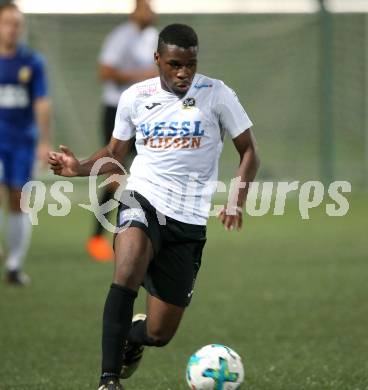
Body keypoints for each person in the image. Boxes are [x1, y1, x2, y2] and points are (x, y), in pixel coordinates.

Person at [49, 23, 260, 390]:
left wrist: (236, 200)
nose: (184, 73)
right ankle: (109, 379)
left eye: (191, 64)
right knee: (126, 270)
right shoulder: (135, 97)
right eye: (175, 64)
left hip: (189, 220)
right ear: (158, 59)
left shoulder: (218, 95)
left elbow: (249, 152)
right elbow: (116, 155)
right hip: (142, 198)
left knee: (160, 332)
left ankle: (132, 337)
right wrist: (79, 167)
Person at [87, 0, 158, 262]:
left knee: (151, 171)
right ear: (135, 10)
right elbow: (104, 71)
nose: (152, 12)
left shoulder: (152, 37)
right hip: (116, 110)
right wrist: (141, 76)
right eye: (146, 7)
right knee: (115, 174)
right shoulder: (121, 36)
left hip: (145, 113)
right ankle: (96, 238)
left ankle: (147, 235)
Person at [0, 3, 51, 285]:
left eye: (17, 23)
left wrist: (44, 141)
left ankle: (14, 265)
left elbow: (42, 102)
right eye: (7, 22)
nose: (12, 28)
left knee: (18, 200)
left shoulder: (32, 62)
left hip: (21, 142)